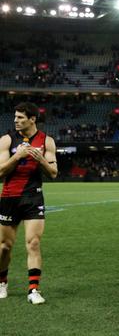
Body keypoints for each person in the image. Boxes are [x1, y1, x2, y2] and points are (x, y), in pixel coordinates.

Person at [0, 102, 57, 305]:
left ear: (33, 119)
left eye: (20, 117)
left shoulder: (46, 141)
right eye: (15, 117)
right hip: (9, 197)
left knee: (33, 243)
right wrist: (18, 156)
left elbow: (53, 173)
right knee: (5, 247)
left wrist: (40, 159)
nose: (15, 121)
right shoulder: (6, 140)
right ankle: (2, 282)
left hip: (33, 197)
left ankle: (33, 289)